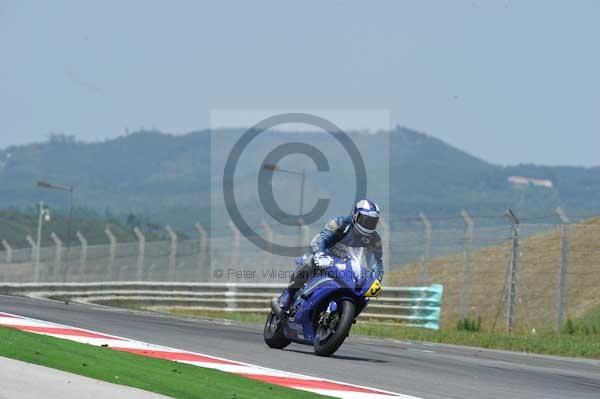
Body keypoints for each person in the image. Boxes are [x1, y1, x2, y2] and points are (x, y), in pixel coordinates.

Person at [271, 199, 383, 317]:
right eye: (365, 220)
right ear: (355, 216)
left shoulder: (374, 239)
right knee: (309, 263)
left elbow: (376, 261)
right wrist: (319, 254)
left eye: (372, 222)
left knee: (366, 290)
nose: (368, 225)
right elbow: (322, 238)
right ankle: (288, 295)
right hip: (325, 254)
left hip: (347, 265)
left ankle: (347, 315)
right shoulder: (341, 223)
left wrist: (377, 277)